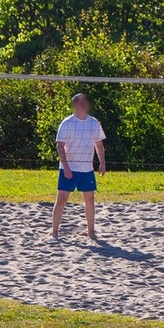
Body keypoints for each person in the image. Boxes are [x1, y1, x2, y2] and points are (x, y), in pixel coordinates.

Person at [52, 93, 107, 240]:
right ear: (74, 105)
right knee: (62, 199)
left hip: (87, 169)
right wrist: (66, 167)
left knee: (89, 199)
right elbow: (60, 146)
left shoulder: (94, 122)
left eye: (85, 103)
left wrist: (102, 163)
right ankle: (55, 232)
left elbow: (99, 144)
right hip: (68, 168)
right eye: (80, 103)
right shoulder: (67, 123)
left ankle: (91, 232)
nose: (83, 105)